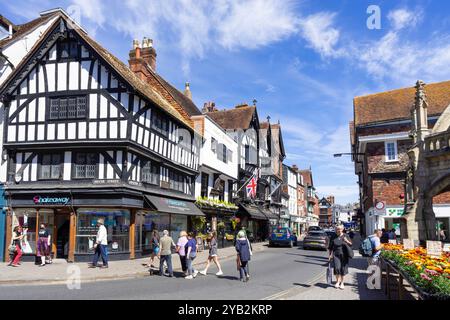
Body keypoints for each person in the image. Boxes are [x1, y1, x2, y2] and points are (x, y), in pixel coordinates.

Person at [328, 225, 352, 289]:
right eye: (337, 229)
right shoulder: (333, 236)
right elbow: (330, 247)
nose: (339, 230)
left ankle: (342, 283)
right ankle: (337, 282)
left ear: (342, 229)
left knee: (342, 269)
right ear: (336, 229)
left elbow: (351, 244)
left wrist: (346, 241)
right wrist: (330, 255)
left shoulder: (346, 236)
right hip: (336, 255)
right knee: (337, 268)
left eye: (340, 229)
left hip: (344, 255)